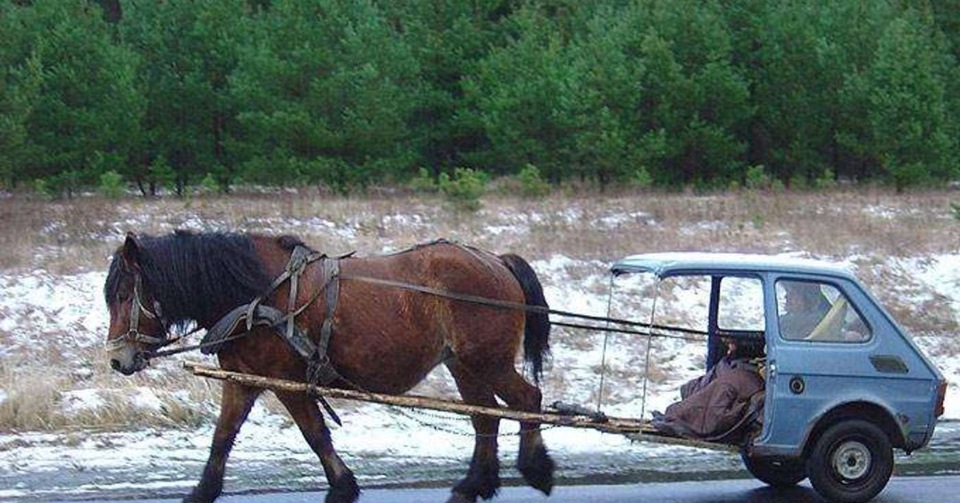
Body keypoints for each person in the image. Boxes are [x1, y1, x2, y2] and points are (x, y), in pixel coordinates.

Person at [651, 337, 765, 441]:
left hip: (738, 385)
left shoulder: (737, 375)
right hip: (738, 383)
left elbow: (717, 410)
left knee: (699, 407)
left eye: (731, 344)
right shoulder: (731, 367)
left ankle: (680, 414)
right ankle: (680, 413)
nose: (728, 347)